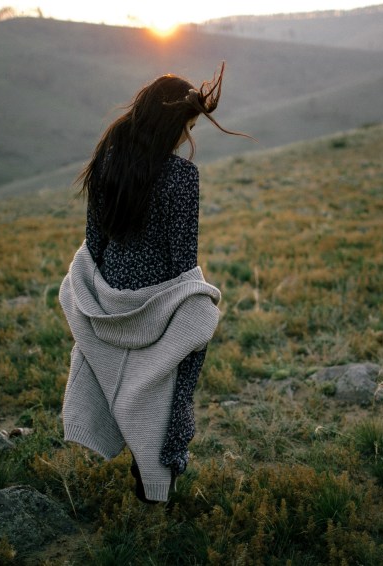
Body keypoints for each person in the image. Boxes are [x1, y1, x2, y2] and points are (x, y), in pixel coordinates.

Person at [59, 63, 249, 503]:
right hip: (157, 306)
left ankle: (123, 426)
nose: (187, 135)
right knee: (198, 322)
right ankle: (164, 459)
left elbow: (94, 239)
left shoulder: (108, 157)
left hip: (106, 301)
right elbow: (184, 263)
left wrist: (102, 294)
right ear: (171, 124)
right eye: (188, 125)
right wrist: (192, 300)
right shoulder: (182, 177)